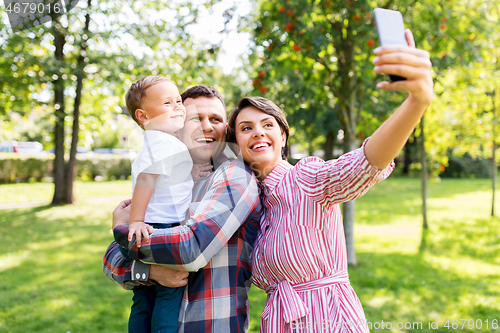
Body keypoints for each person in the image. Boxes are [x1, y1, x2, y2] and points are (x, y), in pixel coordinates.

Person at [226, 30, 433, 332]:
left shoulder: (305, 178)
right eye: (246, 128)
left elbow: (364, 163)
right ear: (237, 144)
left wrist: (416, 102)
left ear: (282, 137)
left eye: (267, 124)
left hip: (328, 320)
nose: (257, 132)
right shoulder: (253, 205)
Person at [103, 84, 261, 333]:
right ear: (176, 126)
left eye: (216, 119)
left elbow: (190, 248)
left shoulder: (235, 177)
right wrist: (150, 271)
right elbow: (109, 261)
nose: (207, 126)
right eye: (195, 118)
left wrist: (122, 231)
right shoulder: (167, 179)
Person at [122, 76, 208, 333]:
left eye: (178, 101)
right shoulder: (164, 143)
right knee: (169, 294)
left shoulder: (161, 143)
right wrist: (135, 220)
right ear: (143, 116)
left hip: (151, 225)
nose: (177, 107)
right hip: (161, 227)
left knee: (144, 298)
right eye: (167, 103)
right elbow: (147, 179)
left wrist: (191, 173)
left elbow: (165, 178)